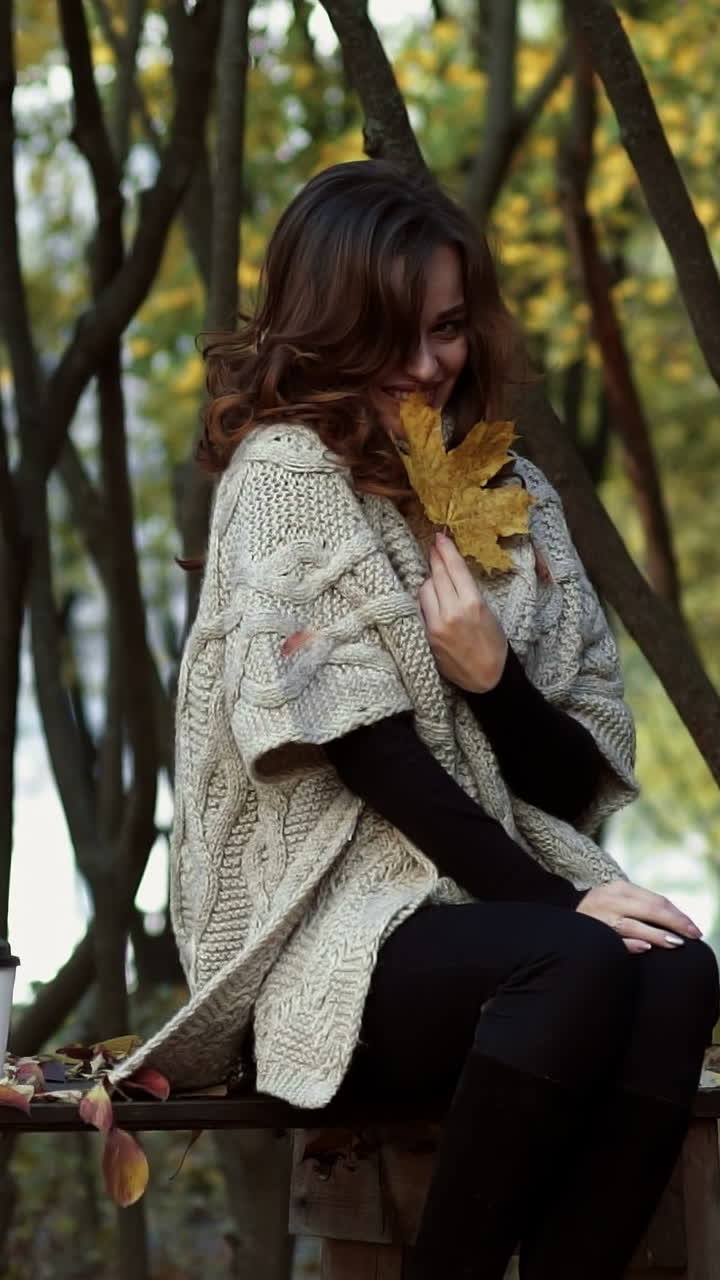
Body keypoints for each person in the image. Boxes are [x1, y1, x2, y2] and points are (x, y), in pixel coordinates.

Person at [114, 160, 719, 1278]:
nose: (425, 365)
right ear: (326, 327)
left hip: (488, 913)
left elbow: (574, 783)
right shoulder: (285, 472)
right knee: (575, 959)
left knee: (681, 967)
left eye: (445, 328)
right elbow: (371, 752)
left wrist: (494, 680)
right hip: (324, 932)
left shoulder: (519, 497)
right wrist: (567, 901)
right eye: (390, 334)